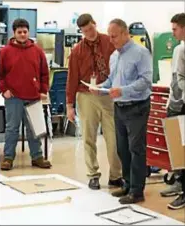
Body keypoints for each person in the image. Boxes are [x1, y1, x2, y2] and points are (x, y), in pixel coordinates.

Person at [66, 14, 123, 190]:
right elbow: (72, 78)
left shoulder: (109, 42)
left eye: (90, 29)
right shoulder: (77, 50)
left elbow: (120, 67)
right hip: (86, 97)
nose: (89, 33)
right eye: (85, 31)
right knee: (88, 137)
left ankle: (115, 175)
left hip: (108, 94)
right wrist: (69, 105)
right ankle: (92, 175)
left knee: (114, 138)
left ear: (95, 24)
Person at [99, 18, 152, 204]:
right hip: (119, 107)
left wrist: (123, 90)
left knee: (136, 149)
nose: (111, 40)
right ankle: (128, 185)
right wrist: (98, 87)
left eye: (114, 36)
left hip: (137, 106)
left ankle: (137, 192)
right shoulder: (115, 56)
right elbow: (112, 80)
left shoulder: (141, 53)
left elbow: (146, 81)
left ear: (124, 33)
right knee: (122, 149)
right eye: (109, 36)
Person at [0, 18, 52, 170]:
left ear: (29, 32)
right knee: (12, 129)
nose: (22, 34)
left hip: (33, 96)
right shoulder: (4, 52)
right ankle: (8, 158)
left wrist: (43, 90)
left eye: (25, 32)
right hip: (14, 97)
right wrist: (4, 90)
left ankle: (37, 157)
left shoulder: (37, 51)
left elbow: (44, 73)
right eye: (19, 32)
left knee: (34, 129)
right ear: (14, 33)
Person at [164, 13, 185, 210]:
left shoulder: (181, 49)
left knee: (181, 151)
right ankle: (179, 184)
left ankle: (183, 189)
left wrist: (175, 104)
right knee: (179, 151)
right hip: (177, 104)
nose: (173, 33)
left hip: (180, 106)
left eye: (175, 29)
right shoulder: (180, 48)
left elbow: (179, 81)